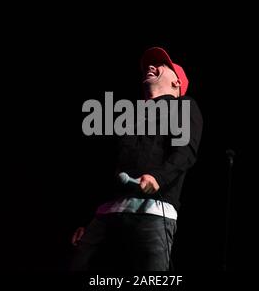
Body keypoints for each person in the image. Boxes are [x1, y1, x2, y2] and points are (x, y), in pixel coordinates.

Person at [71, 47, 203, 271]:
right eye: (149, 64)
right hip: (106, 216)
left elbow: (185, 152)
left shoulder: (184, 106)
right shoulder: (129, 115)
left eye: (161, 64)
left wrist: (158, 178)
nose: (151, 66)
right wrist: (87, 218)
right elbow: (109, 166)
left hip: (151, 213)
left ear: (176, 82)